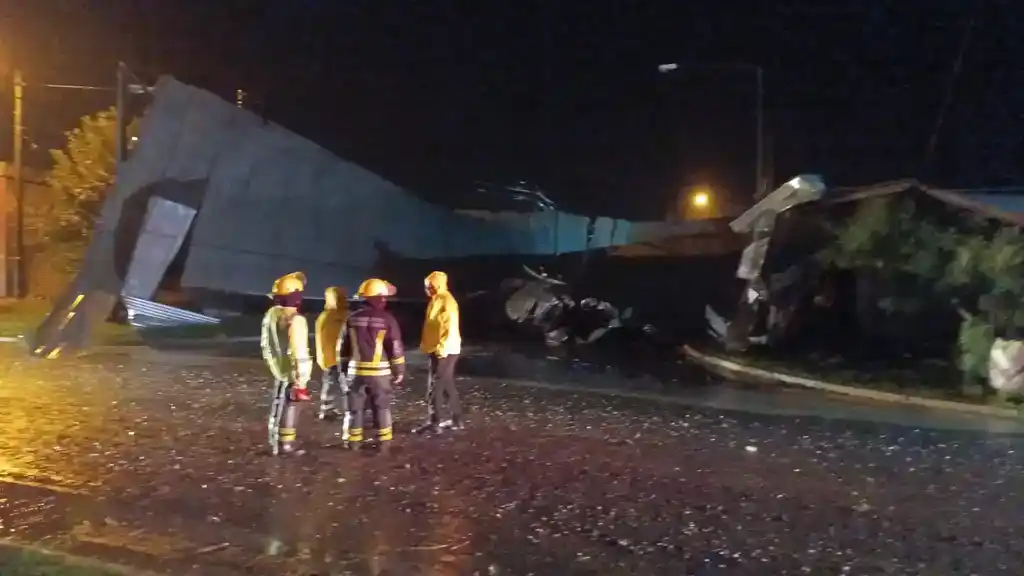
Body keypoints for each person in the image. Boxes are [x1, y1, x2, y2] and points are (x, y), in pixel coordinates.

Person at [337, 278, 405, 452]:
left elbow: (343, 348)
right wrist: (399, 371)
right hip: (380, 374)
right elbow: (395, 347)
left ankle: (353, 443)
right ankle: (383, 444)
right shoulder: (387, 319)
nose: (385, 300)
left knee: (354, 409)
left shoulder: (351, 319)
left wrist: (342, 371)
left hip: (355, 372)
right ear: (379, 297)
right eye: (384, 297)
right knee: (382, 408)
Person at [261, 271, 313, 455]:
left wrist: (274, 367)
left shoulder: (271, 315)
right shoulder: (296, 320)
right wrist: (301, 379)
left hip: (278, 371)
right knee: (291, 407)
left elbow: (266, 345)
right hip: (292, 373)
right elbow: (299, 352)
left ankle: (274, 442)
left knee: (277, 405)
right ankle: (286, 445)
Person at [420, 271, 464, 432]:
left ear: (436, 285)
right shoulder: (437, 299)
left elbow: (448, 326)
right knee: (446, 385)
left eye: (429, 286)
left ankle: (434, 422)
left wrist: (442, 349)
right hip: (442, 349)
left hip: (444, 350)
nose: (427, 289)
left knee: (436, 386)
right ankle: (456, 420)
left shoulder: (446, 301)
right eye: (426, 286)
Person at [315, 286, 350, 424]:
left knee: (330, 384)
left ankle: (327, 409)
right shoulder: (345, 316)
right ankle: (349, 410)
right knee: (346, 385)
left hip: (330, 357)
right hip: (342, 358)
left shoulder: (325, 316)